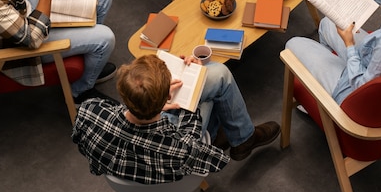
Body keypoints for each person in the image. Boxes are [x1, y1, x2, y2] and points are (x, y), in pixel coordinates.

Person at [72, 53, 280, 182]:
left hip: (123, 167)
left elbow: (80, 138)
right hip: (170, 169)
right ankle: (244, 139)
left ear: (122, 90)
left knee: (210, 86)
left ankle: (228, 133)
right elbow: (217, 161)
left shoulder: (88, 111)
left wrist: (154, 102)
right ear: (166, 98)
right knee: (214, 84)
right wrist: (195, 77)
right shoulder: (182, 146)